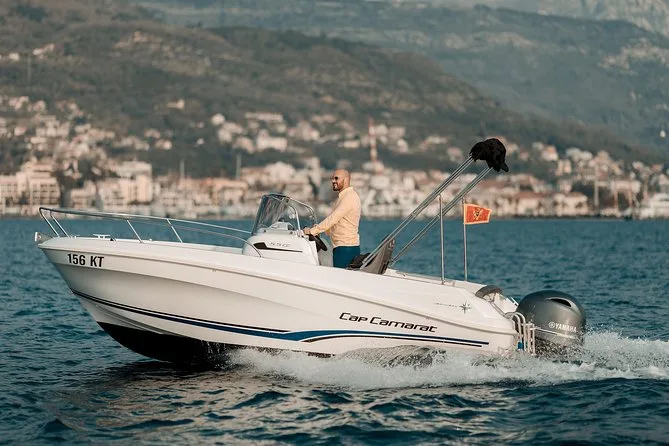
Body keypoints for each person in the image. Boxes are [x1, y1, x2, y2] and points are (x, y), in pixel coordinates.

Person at [303, 169, 361, 268]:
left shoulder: (350, 197)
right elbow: (336, 223)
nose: (333, 181)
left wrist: (312, 231)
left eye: (336, 178)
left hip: (346, 248)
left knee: (340, 277)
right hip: (341, 247)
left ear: (346, 179)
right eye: (332, 178)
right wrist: (319, 230)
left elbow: (333, 218)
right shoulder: (343, 197)